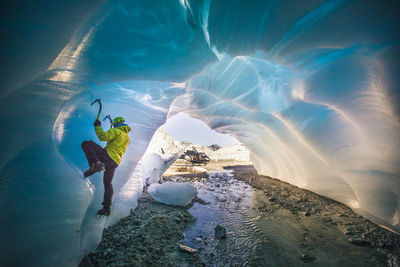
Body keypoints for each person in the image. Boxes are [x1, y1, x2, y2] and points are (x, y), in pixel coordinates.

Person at [81, 116, 131, 216]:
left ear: (116, 124)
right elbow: (115, 143)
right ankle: (106, 208)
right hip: (114, 162)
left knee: (87, 143)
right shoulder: (127, 137)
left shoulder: (116, 131)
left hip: (108, 157)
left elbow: (102, 137)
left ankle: (96, 163)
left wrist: (98, 126)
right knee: (108, 184)